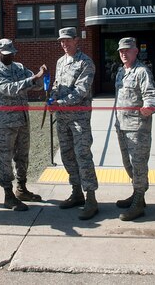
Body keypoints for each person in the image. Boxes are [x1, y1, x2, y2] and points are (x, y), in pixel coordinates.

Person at [0, 39, 46, 211]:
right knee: (5, 159)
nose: (10, 56)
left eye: (12, 53)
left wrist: (40, 77)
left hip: (22, 120)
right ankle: (8, 195)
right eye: (6, 54)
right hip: (4, 124)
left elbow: (35, 86)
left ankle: (21, 188)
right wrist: (34, 78)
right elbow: (10, 89)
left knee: (22, 156)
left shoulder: (19, 67)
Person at [50, 27, 99, 220]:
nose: (64, 44)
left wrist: (59, 103)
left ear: (76, 40)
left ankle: (91, 199)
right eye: (61, 41)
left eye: (68, 40)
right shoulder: (60, 62)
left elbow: (81, 91)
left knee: (83, 156)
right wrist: (52, 96)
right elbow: (56, 84)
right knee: (67, 156)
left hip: (79, 120)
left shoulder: (85, 62)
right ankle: (77, 192)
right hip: (62, 120)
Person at [113, 37, 155, 221]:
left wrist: (149, 106)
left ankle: (139, 202)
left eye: (127, 50)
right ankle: (136, 194)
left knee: (139, 164)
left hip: (137, 127)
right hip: (121, 125)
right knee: (128, 163)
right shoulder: (120, 72)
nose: (124, 53)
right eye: (121, 51)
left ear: (135, 51)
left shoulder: (142, 71)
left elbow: (151, 94)